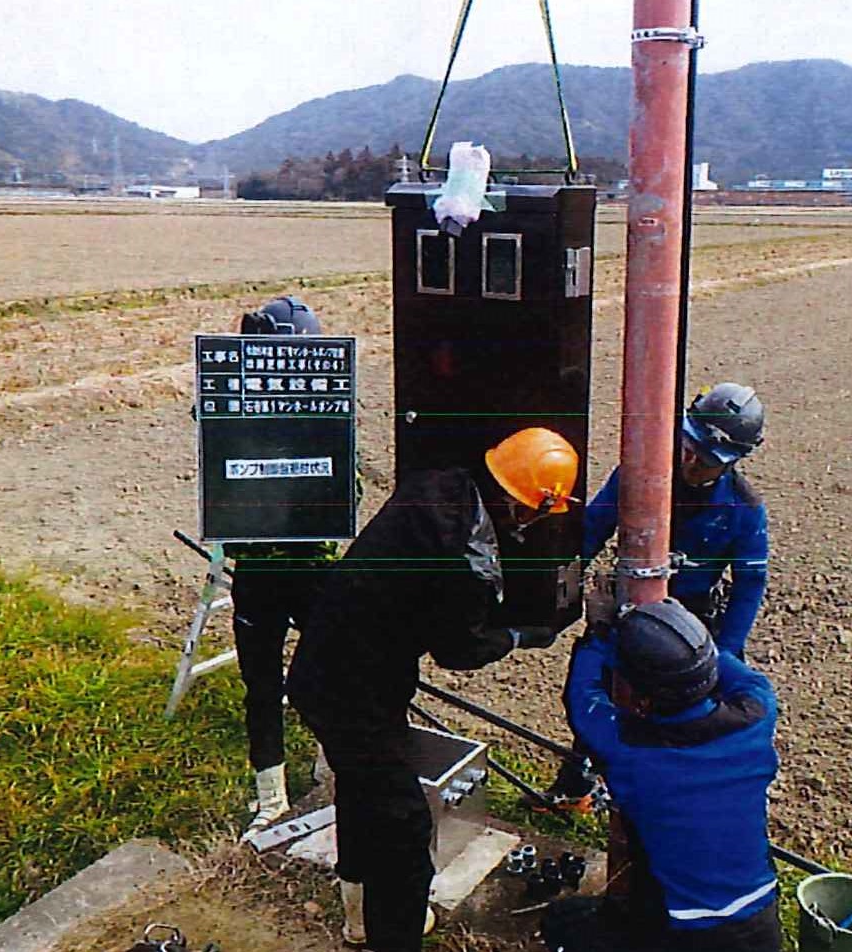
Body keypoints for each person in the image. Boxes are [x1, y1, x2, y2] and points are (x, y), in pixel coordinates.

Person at [285, 426, 580, 952]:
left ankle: (359, 918)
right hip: (353, 692)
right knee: (402, 828)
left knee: (361, 793)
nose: (531, 526)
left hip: (332, 668)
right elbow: (457, 651)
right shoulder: (462, 554)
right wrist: (516, 634)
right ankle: (392, 937)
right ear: (519, 507)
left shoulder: (439, 486)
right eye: (535, 514)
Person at [541, 382, 770, 811]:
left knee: (671, 715)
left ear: (733, 460)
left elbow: (749, 584)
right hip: (627, 613)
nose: (689, 462)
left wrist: (726, 654)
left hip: (690, 629)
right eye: (686, 446)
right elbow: (592, 529)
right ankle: (577, 785)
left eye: (703, 459)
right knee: (598, 693)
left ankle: (650, 800)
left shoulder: (743, 509)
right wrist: (557, 596)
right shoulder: (640, 473)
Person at [542, 598, 782, 952]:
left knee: (562, 924)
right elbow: (730, 668)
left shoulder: (631, 750)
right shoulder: (756, 713)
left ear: (642, 699)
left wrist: (599, 636)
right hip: (760, 921)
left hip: (683, 932)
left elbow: (582, 699)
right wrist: (680, 635)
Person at [225, 295, 337, 843]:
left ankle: (330, 767)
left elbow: (346, 488)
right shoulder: (229, 408)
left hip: (312, 566)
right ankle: (271, 796)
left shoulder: (327, 411)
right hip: (263, 572)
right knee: (262, 685)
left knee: (331, 673)